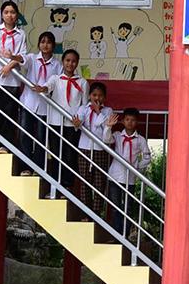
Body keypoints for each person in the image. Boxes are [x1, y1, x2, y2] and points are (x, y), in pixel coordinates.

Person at [36, 49, 86, 197]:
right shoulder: (55, 78)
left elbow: (84, 105)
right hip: (55, 122)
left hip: (72, 125)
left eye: (73, 61)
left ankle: (67, 186)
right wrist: (43, 88)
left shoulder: (82, 82)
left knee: (69, 156)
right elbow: (48, 87)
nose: (70, 63)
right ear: (63, 62)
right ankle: (55, 185)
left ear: (77, 63)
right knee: (56, 155)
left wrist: (79, 118)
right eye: (67, 60)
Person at [0, 1, 27, 154]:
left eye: (13, 12)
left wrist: (10, 65)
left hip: (12, 80)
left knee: (9, 113)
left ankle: (5, 146)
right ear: (1, 15)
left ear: (17, 15)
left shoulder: (21, 34)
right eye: (6, 12)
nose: (9, 15)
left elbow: (23, 55)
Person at [108, 108, 151, 240]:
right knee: (115, 206)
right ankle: (116, 234)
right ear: (123, 121)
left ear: (136, 122)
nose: (130, 122)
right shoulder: (116, 135)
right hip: (115, 174)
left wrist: (137, 167)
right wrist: (108, 127)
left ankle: (124, 235)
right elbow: (106, 139)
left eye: (132, 120)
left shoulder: (140, 140)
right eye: (127, 119)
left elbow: (147, 156)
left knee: (127, 207)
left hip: (130, 177)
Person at [19, 32, 57, 177]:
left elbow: (56, 83)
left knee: (41, 138)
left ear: (53, 45)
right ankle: (26, 167)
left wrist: (45, 89)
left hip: (44, 106)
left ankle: (38, 168)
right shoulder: (33, 58)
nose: (45, 45)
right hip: (28, 102)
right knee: (25, 135)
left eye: (48, 42)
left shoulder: (57, 65)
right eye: (42, 41)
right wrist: (12, 56)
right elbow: (22, 59)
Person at [76, 82, 117, 215]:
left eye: (100, 95)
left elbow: (106, 128)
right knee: (85, 180)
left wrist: (98, 112)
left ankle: (96, 211)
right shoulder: (83, 109)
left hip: (100, 150)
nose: (97, 98)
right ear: (89, 96)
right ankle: (85, 211)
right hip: (84, 147)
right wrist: (77, 123)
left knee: (100, 182)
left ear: (104, 97)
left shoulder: (108, 111)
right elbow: (79, 122)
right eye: (94, 95)